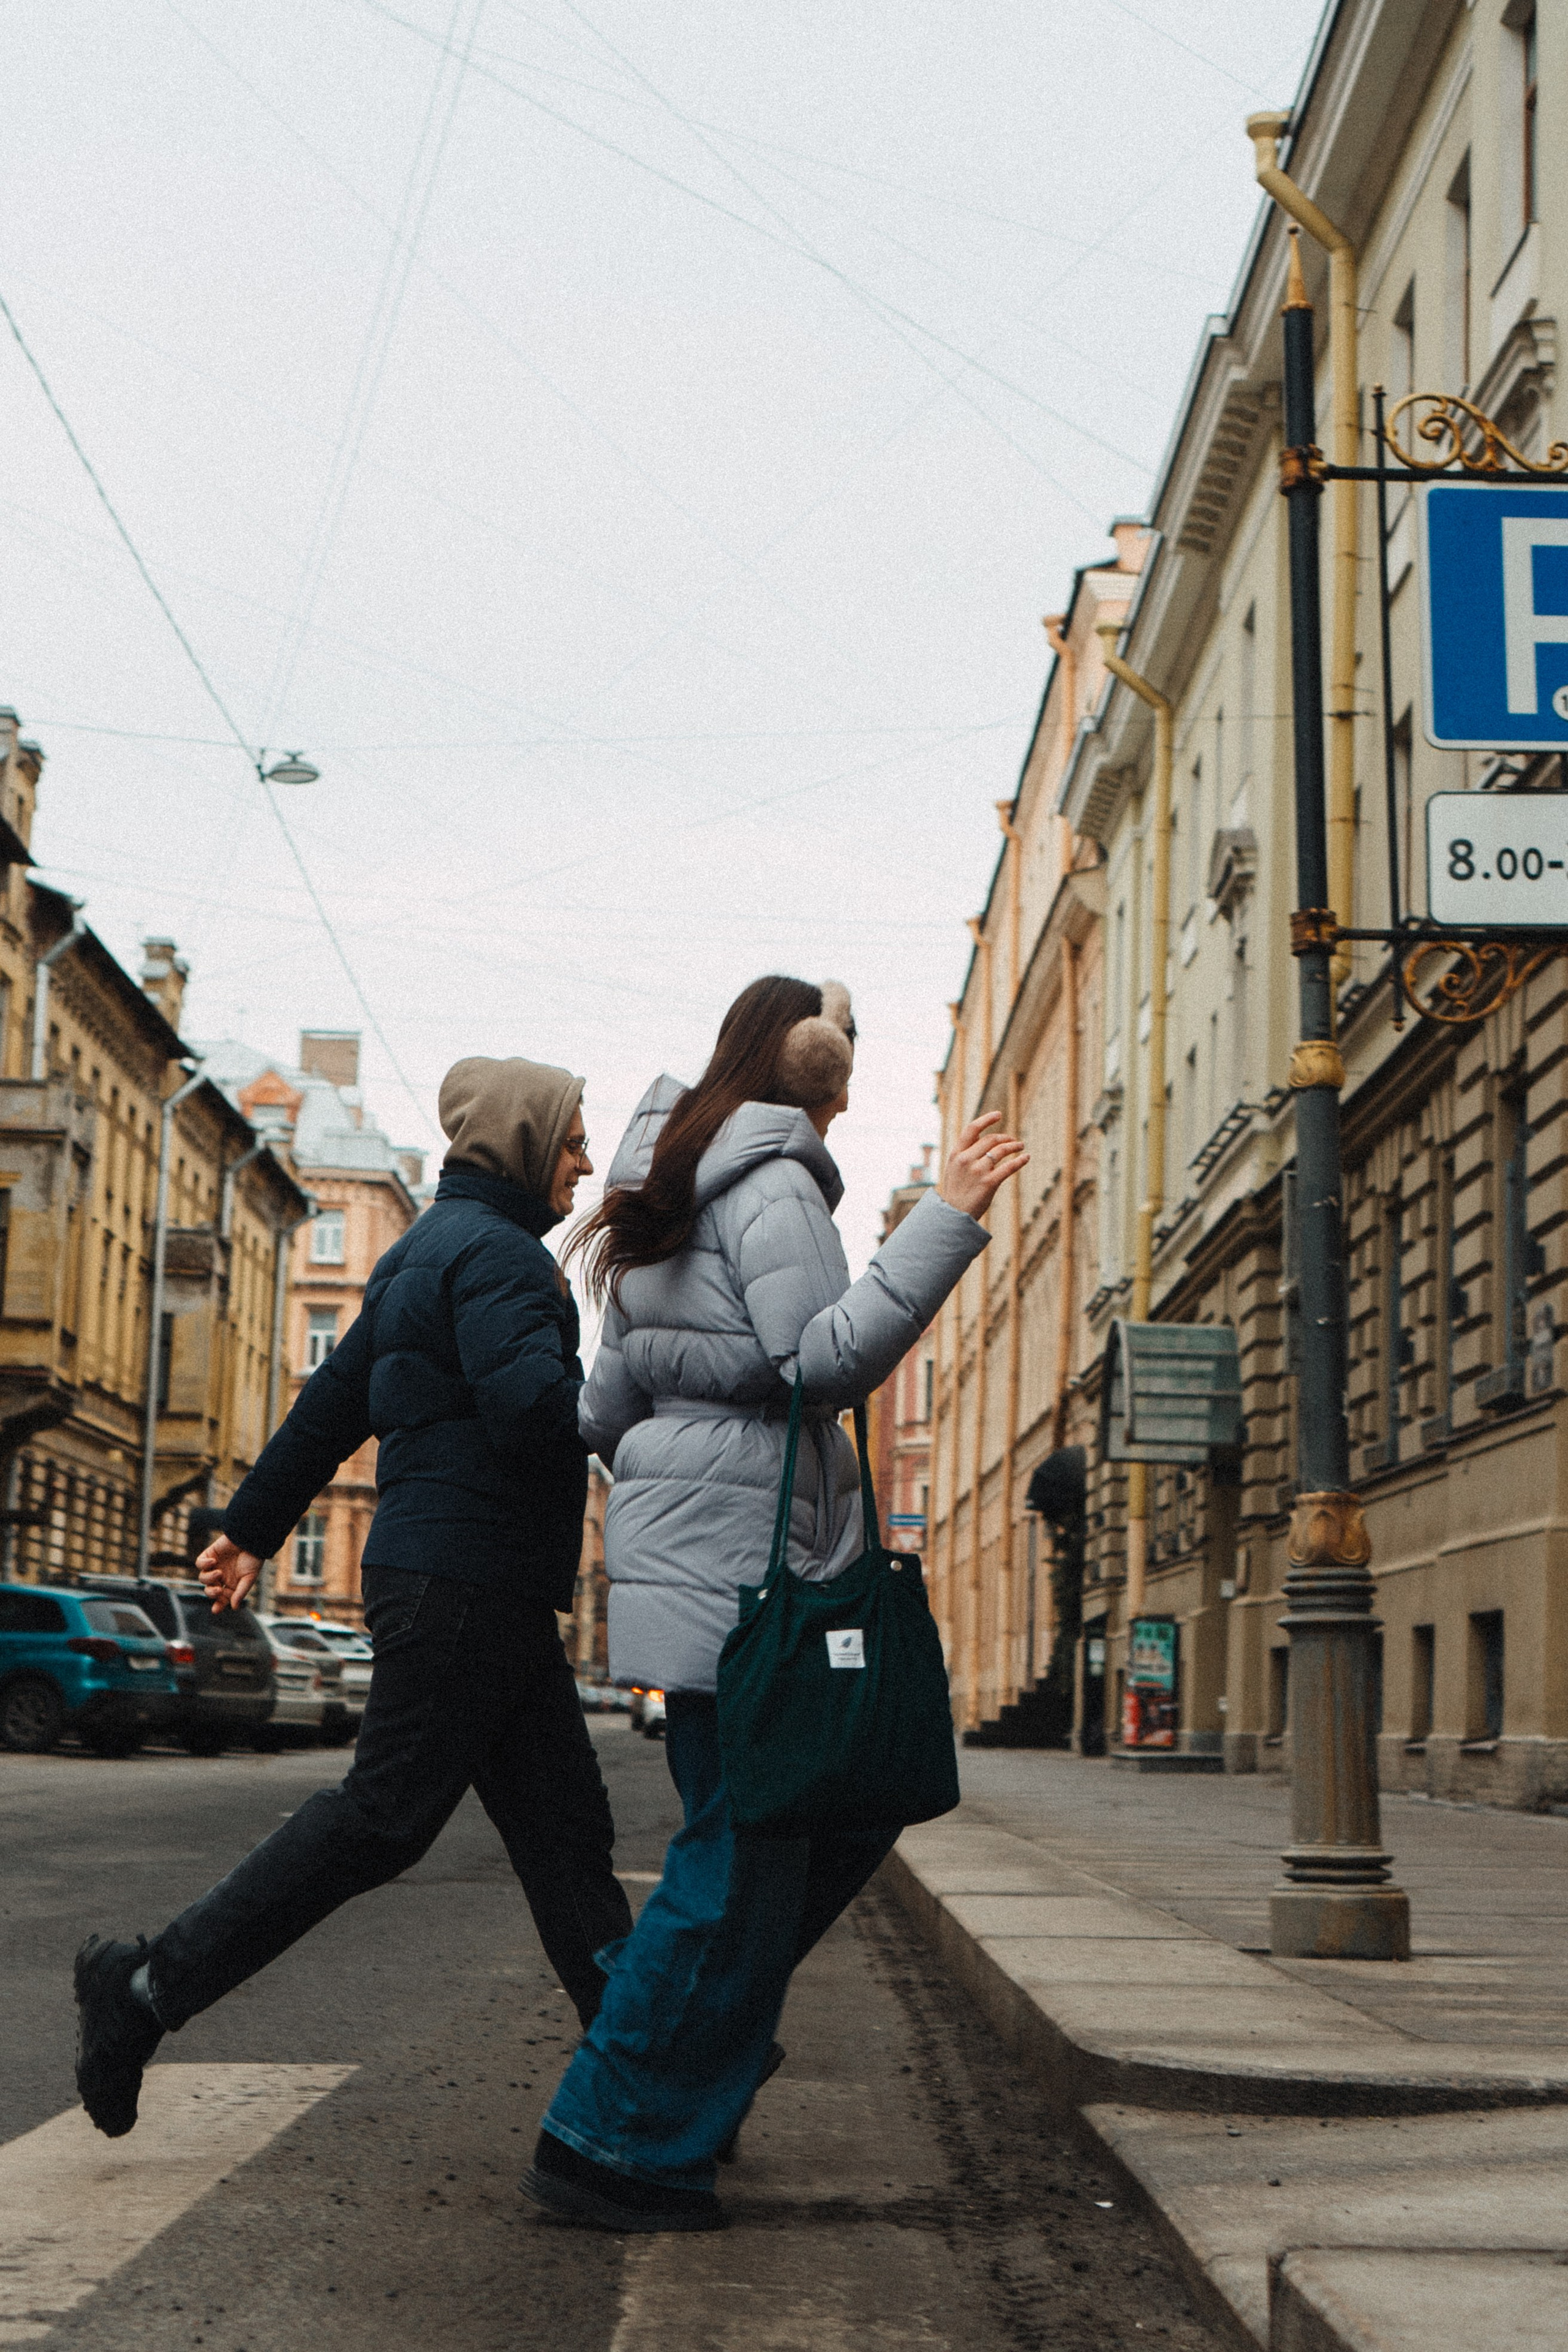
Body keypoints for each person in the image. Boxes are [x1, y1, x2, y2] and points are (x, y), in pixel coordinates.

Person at [521, 977, 1027, 2232]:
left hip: (698, 1567)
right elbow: (823, 1358)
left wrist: (686, 1405)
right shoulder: (772, 1182)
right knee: (743, 1860)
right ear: (816, 1072)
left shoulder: (669, 1188)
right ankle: (609, 2135)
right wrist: (943, 1219)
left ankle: (679, 2065)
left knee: (769, 1845)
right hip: (754, 1579)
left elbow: (604, 1416)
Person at [74, 1055, 634, 2138]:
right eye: (570, 1136)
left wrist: (249, 1527)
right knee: (383, 1820)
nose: (583, 1158)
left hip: (472, 1590)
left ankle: (649, 2056)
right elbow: (529, 1413)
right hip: (468, 1584)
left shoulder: (423, 1250)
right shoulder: (507, 1263)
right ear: (522, 1141)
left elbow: (335, 1400)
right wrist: (633, 1400)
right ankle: (143, 1990)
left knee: (566, 1836)